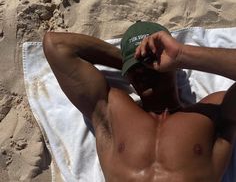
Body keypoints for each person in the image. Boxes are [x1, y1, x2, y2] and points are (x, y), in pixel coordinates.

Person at [43, 20, 236, 182]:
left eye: (151, 61)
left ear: (174, 66)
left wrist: (181, 55)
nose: (142, 70)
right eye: (135, 68)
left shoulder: (212, 112)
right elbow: (56, 45)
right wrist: (128, 60)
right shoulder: (112, 109)